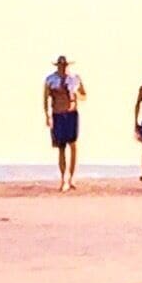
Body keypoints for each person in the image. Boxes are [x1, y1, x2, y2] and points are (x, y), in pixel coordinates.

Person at [43, 55, 85, 189]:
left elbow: (84, 95)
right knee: (61, 147)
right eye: (61, 65)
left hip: (71, 114)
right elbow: (46, 99)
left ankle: (72, 177)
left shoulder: (75, 78)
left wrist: (75, 94)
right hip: (58, 114)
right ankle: (63, 179)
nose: (63, 67)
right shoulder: (51, 80)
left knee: (73, 145)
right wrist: (47, 116)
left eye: (65, 65)